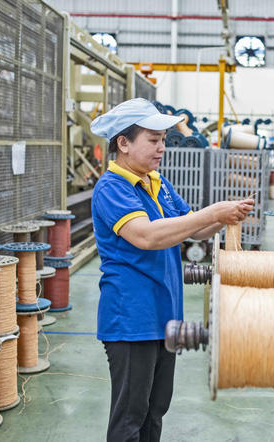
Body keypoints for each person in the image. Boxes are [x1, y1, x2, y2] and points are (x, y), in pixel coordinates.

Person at [90, 98, 255, 442]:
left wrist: (225, 218)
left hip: (164, 316)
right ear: (124, 143)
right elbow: (146, 236)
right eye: (153, 140)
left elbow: (194, 229)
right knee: (130, 418)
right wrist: (212, 212)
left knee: (155, 412)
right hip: (131, 319)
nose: (162, 147)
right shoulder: (112, 188)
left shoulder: (157, 183)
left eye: (163, 139)